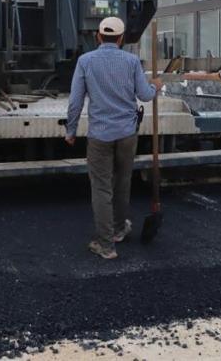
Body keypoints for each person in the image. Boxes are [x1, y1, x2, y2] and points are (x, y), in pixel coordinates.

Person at [65, 17, 162, 259]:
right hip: (127, 134)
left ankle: (106, 245)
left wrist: (71, 130)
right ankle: (119, 229)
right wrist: (156, 86)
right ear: (121, 39)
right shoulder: (132, 61)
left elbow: (75, 101)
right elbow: (145, 95)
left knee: (101, 187)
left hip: (100, 135)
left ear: (98, 36)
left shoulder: (85, 61)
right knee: (122, 183)